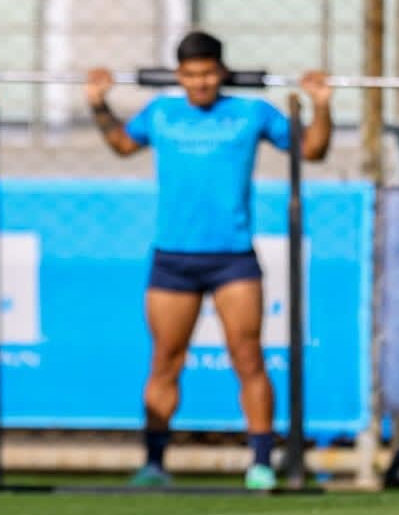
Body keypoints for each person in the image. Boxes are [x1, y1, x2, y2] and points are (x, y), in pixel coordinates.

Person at [85, 32, 332, 491]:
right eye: (191, 74)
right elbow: (122, 145)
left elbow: (313, 150)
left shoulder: (251, 112)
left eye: (208, 73)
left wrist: (320, 104)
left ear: (221, 71)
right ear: (180, 75)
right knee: (165, 361)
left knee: (248, 357)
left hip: (233, 260)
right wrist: (100, 104)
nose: (200, 82)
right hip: (173, 259)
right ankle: (155, 464)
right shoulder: (161, 111)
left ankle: (261, 464)